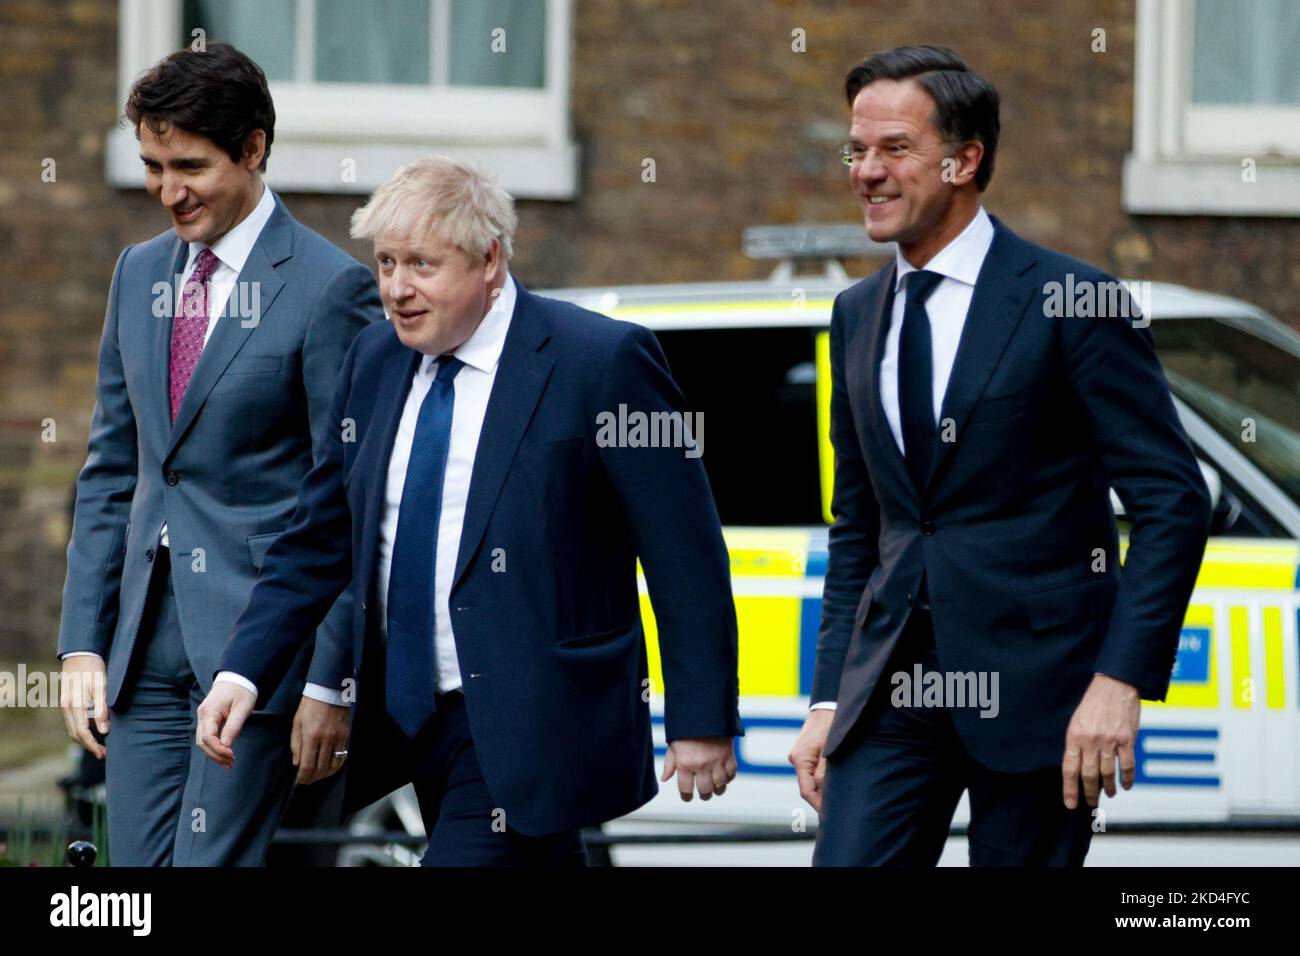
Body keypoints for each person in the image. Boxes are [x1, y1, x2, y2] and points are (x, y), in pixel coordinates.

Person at [196, 156, 743, 865]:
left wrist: (701, 718)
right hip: (407, 718)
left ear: (489, 260)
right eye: (387, 263)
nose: (397, 288)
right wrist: (244, 670)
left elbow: (684, 551)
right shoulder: (374, 359)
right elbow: (319, 538)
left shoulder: (600, 360)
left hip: (534, 717)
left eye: (422, 264)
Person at [788, 45, 1211, 866]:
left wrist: (1118, 684)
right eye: (857, 150)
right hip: (894, 689)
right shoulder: (854, 313)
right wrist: (827, 699)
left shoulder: (1073, 301)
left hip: (1045, 692)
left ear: (965, 159)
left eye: (894, 149)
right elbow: (860, 527)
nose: (866, 172)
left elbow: (1171, 502)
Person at [56, 43, 383, 865]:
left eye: (190, 166)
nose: (168, 191)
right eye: (152, 165)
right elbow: (110, 470)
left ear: (253, 149)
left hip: (259, 650)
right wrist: (83, 644)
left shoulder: (328, 287)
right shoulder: (135, 275)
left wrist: (326, 682)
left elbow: (346, 499)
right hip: (142, 653)